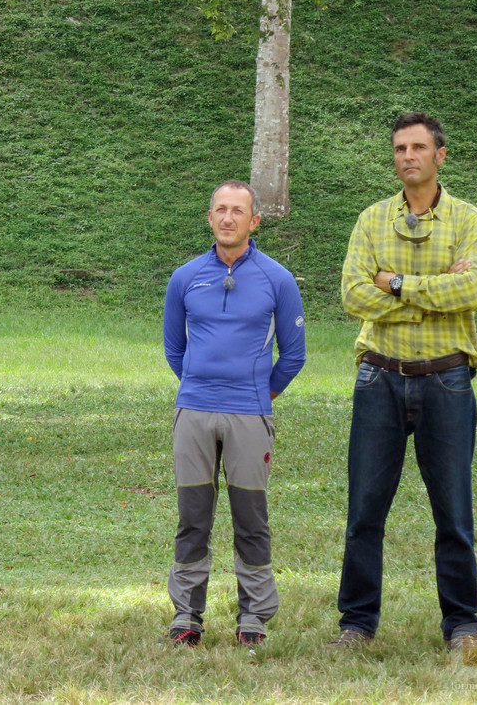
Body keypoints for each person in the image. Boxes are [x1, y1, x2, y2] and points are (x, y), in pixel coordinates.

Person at [329, 113, 477, 650]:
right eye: (400, 148)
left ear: (440, 155)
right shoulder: (371, 219)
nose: (408, 157)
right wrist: (430, 292)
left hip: (447, 380)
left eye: (419, 147)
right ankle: (356, 624)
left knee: (454, 510)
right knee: (364, 510)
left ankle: (463, 625)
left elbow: (470, 291)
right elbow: (354, 295)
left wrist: (396, 284)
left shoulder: (468, 220)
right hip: (380, 377)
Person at [162, 180, 306, 648]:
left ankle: (254, 620)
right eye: (220, 210)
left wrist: (256, 396)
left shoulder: (276, 279)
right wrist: (203, 386)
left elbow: (293, 355)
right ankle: (187, 615)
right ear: (210, 218)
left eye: (238, 211)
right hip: (195, 413)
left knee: (251, 518)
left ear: (254, 221)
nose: (228, 218)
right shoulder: (184, 277)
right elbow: (174, 349)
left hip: (250, 415)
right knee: (193, 517)